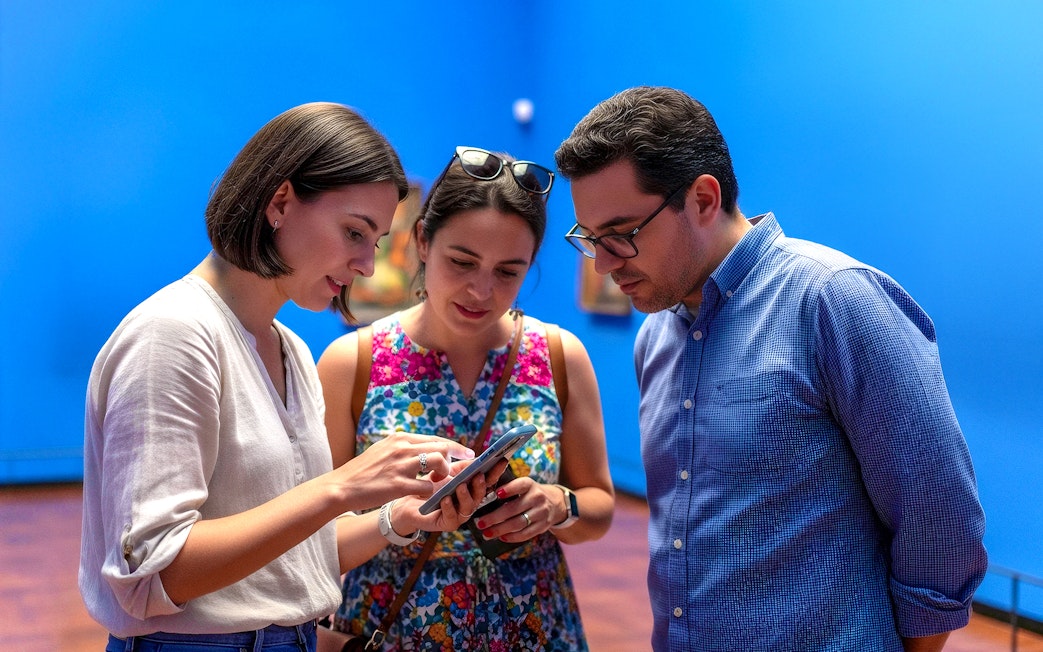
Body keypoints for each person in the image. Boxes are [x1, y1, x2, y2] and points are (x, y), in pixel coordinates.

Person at [553, 86, 988, 652]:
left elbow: (939, 511)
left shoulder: (834, 301)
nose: (605, 264)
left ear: (704, 199)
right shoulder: (654, 335)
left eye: (622, 235)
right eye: (590, 239)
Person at [80, 102, 496, 652]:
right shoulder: (173, 334)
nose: (367, 266)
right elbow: (158, 573)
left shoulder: (291, 349)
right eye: (354, 232)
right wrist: (342, 487)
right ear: (280, 202)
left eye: (373, 243)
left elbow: (290, 557)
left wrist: (398, 518)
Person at [316, 146, 616, 650]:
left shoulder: (559, 355)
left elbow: (600, 507)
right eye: (462, 261)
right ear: (423, 242)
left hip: (532, 623)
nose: (481, 291)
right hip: (397, 624)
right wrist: (395, 521)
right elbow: (315, 536)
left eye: (508, 272)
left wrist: (557, 506)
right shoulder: (355, 361)